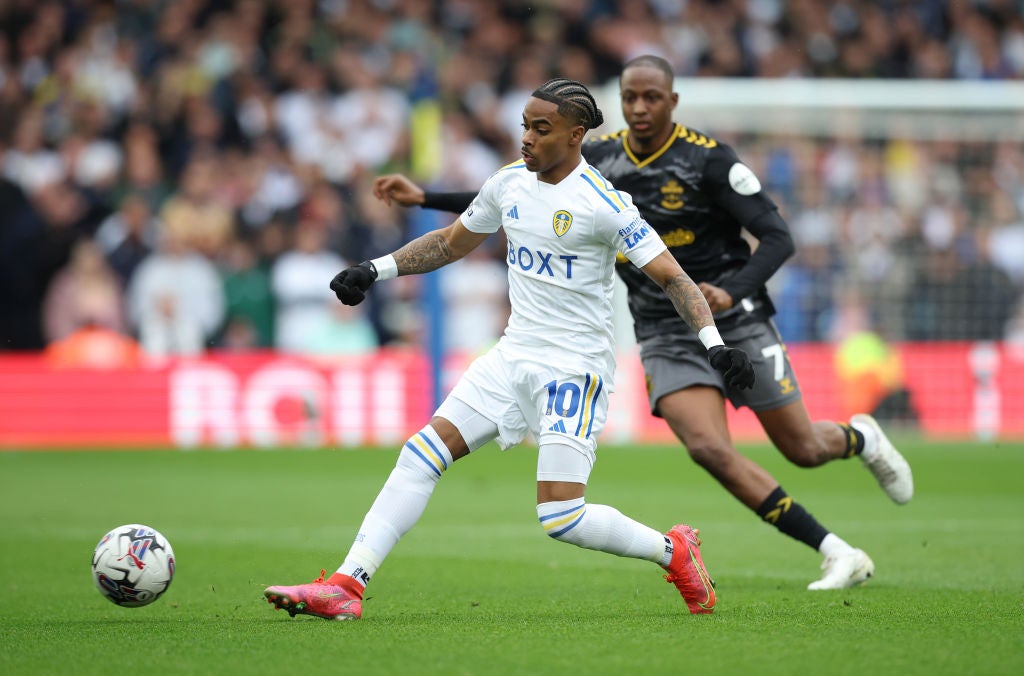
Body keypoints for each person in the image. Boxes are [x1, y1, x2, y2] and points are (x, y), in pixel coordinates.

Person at [370, 55, 914, 591]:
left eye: (651, 97)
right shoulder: (599, 158)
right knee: (707, 448)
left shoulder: (709, 161)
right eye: (630, 97)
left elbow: (778, 238)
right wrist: (427, 198)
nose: (639, 107)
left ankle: (858, 437)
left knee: (803, 448)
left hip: (733, 317)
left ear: (672, 102)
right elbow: (518, 192)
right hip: (659, 328)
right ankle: (833, 550)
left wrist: (731, 292)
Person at [263, 78, 756, 620]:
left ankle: (674, 551)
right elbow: (452, 241)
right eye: (524, 124)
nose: (526, 137)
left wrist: (715, 345)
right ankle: (346, 586)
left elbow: (673, 278)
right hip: (511, 356)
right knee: (420, 455)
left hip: (573, 369)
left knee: (561, 517)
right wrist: (373, 270)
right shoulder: (509, 184)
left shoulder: (604, 205)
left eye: (540, 129)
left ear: (576, 135)